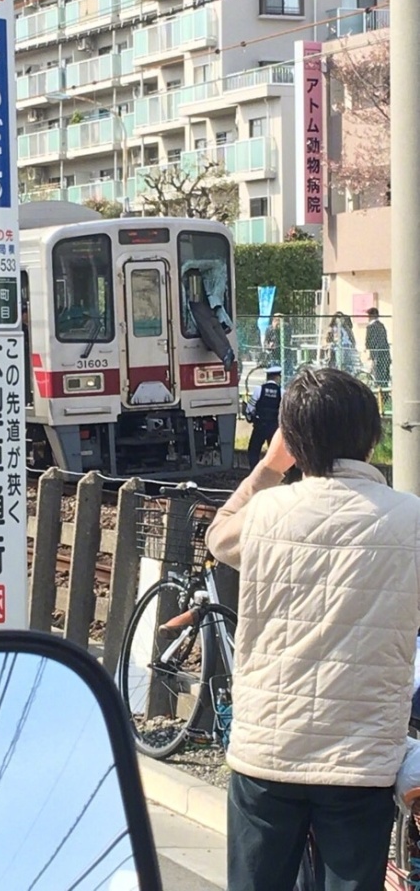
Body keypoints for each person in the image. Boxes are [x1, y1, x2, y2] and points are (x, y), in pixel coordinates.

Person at [206, 368, 420, 891]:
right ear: (372, 436)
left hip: (268, 752)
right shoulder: (411, 518)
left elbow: (218, 538)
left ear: (294, 440)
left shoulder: (267, 512)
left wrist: (270, 466)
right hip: (361, 758)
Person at [244, 365, 281, 470]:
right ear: (277, 377)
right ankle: (273, 473)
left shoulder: (259, 390)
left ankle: (254, 472)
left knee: (253, 450)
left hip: (260, 425)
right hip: (274, 427)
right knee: (273, 452)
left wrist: (250, 415)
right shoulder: (281, 391)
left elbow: (250, 408)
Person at [365, 307, 390, 384]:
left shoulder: (371, 327)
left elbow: (369, 341)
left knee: (377, 375)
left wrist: (367, 349)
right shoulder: (382, 326)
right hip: (385, 354)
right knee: (384, 375)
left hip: (376, 354)